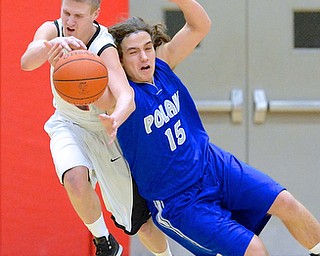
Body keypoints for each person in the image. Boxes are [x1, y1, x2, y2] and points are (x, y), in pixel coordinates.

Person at [100, 0, 320, 255]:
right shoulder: (120, 94)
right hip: (179, 201)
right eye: (133, 52)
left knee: (286, 203)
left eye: (148, 48)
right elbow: (90, 94)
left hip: (213, 165)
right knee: (254, 250)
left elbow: (199, 26)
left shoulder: (163, 64)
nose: (144, 56)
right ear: (120, 61)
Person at [20, 0, 173, 255]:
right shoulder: (52, 31)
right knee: (74, 178)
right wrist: (50, 47)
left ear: (95, 14)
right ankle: (104, 242)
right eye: (66, 13)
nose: (70, 21)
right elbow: (27, 61)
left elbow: (126, 96)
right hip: (68, 123)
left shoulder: (104, 46)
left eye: (78, 16)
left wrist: (115, 119)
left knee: (140, 226)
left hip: (104, 130)